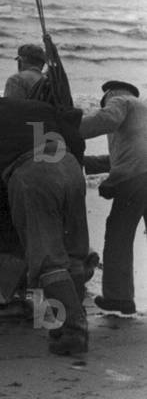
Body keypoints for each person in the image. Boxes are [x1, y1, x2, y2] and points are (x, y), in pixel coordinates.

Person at [0, 84, 90, 356]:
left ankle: (73, 330)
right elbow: (76, 137)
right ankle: (71, 320)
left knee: (47, 258)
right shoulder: (40, 107)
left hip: (34, 175)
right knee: (74, 254)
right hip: (70, 168)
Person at [79, 80, 147, 315]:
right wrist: (86, 162)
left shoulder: (121, 100)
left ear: (109, 94)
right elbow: (124, 157)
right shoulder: (141, 110)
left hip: (138, 180)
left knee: (119, 234)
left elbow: (106, 120)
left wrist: (68, 129)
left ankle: (119, 298)